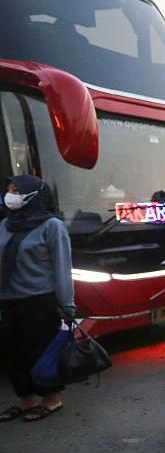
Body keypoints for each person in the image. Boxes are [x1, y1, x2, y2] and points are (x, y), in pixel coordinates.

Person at [0, 176, 73, 422]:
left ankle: (52, 399)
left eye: (16, 190)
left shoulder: (52, 226)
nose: (10, 194)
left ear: (33, 195)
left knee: (40, 352)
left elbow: (62, 267)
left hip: (39, 301)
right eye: (9, 190)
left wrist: (66, 304)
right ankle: (25, 400)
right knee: (13, 352)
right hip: (8, 300)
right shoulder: (5, 225)